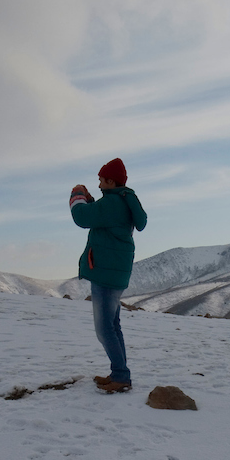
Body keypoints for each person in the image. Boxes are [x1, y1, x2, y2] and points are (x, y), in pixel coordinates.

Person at [69, 157, 147, 394]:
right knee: (113, 325)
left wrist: (77, 196)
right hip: (115, 273)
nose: (100, 184)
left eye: (102, 180)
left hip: (105, 275)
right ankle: (119, 373)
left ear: (111, 181)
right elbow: (98, 214)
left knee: (104, 329)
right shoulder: (121, 201)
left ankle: (121, 376)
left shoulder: (113, 204)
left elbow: (82, 217)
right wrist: (91, 201)